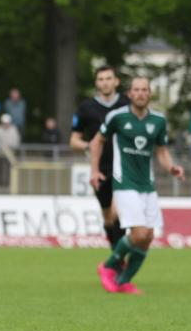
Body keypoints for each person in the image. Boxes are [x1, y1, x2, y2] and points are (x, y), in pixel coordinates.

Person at [89, 76, 184, 294]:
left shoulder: (158, 121)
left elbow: (162, 152)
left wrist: (171, 168)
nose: (140, 93)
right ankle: (107, 266)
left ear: (150, 94)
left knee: (148, 237)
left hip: (147, 185)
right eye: (136, 90)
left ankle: (123, 281)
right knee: (139, 234)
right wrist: (94, 170)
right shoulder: (117, 117)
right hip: (124, 183)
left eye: (144, 90)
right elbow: (97, 142)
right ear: (129, 94)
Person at [70, 65, 131, 249]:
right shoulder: (86, 108)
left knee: (118, 213)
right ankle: (116, 253)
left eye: (108, 79)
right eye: (101, 79)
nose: (105, 83)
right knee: (108, 218)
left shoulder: (127, 104)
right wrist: (89, 146)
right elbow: (73, 140)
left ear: (116, 81)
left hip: (124, 168)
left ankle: (118, 259)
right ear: (96, 83)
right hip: (100, 169)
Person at [0, 113, 20, 186]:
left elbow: (16, 141)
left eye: (7, 123)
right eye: (4, 123)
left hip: (10, 153)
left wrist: (12, 148)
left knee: (8, 168)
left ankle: (7, 182)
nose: (6, 124)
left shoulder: (13, 130)